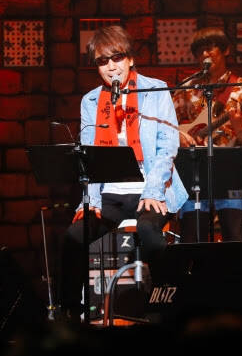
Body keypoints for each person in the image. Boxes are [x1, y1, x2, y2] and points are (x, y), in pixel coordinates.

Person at [60, 25, 188, 317]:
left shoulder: (155, 90)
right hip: (111, 193)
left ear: (130, 58)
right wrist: (90, 203)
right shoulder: (91, 100)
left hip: (151, 187)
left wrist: (153, 191)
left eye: (116, 58)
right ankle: (69, 315)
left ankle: (170, 305)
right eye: (102, 61)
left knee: (148, 230)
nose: (111, 66)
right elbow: (89, 156)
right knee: (73, 237)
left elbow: (167, 146)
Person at [172, 27, 242, 242]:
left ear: (225, 50)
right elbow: (168, 126)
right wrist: (180, 136)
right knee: (192, 236)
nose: (204, 55)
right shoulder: (187, 88)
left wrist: (238, 124)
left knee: (233, 234)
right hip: (193, 167)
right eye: (199, 51)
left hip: (228, 167)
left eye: (210, 48)